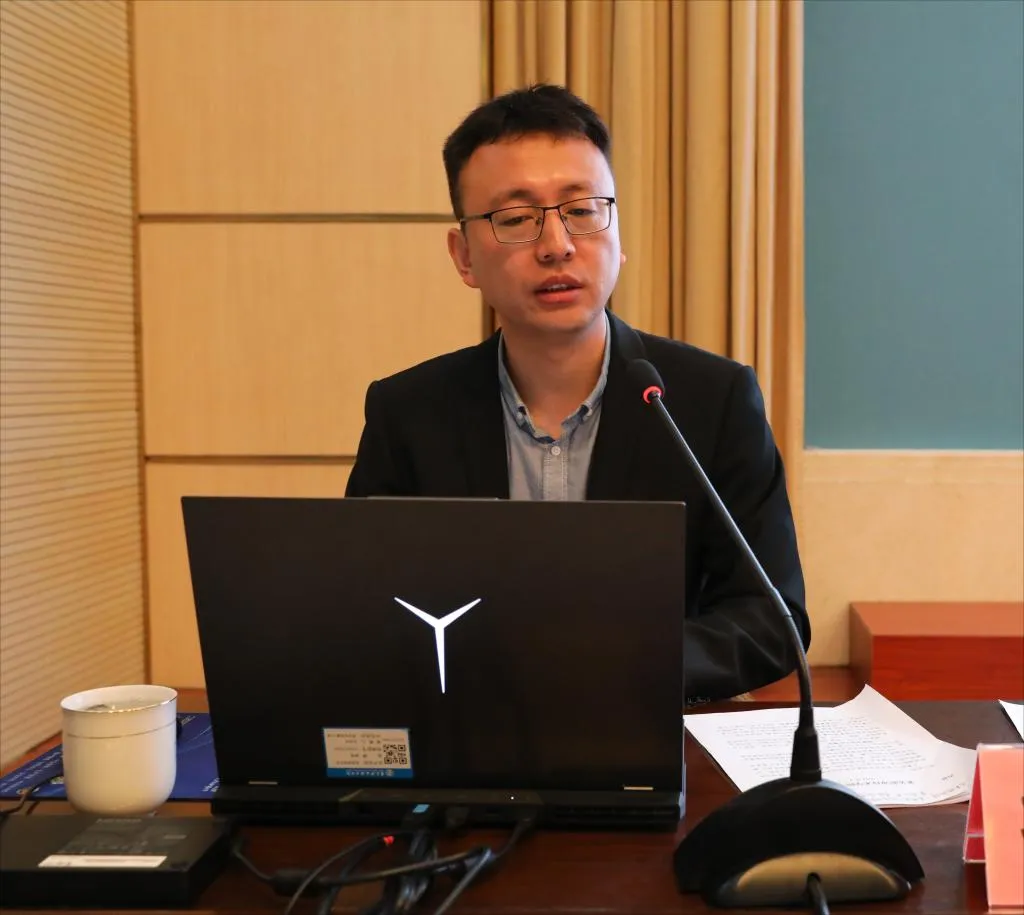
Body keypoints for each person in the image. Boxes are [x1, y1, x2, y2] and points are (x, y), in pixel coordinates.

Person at [345, 84, 809, 702]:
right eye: (516, 219)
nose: (557, 245)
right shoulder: (408, 413)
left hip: (654, 727)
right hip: (469, 733)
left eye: (583, 211)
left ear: (617, 233)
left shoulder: (710, 400)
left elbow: (771, 621)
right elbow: (366, 609)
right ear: (464, 257)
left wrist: (616, 667)